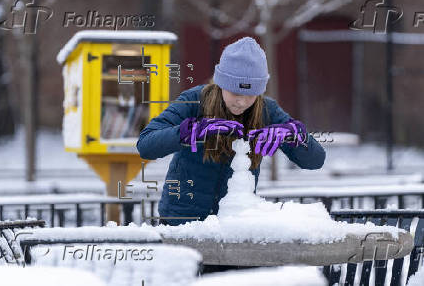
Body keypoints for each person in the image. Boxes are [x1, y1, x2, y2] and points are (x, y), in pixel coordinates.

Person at [137, 37, 326, 226]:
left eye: (250, 95)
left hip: (234, 223)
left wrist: (294, 136)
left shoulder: (267, 110)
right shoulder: (193, 100)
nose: (241, 102)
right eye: (235, 93)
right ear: (221, 84)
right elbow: (146, 145)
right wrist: (192, 131)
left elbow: (316, 161)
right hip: (182, 222)